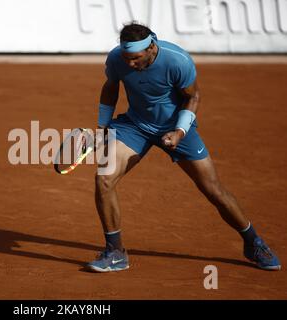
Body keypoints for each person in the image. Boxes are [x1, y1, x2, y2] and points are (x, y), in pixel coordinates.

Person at [88, 22, 281, 272]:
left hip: (176, 126)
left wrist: (179, 131)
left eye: (135, 58)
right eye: (126, 58)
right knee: (104, 179)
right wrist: (102, 127)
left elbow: (193, 96)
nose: (130, 64)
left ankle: (253, 242)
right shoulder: (117, 59)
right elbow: (111, 87)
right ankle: (115, 252)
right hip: (135, 125)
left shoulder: (177, 61)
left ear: (151, 48)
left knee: (214, 190)